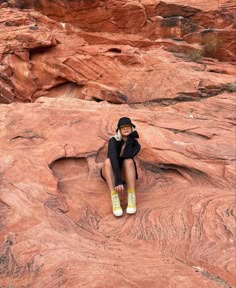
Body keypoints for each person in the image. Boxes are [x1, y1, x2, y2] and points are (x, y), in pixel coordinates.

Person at [101, 117, 141, 217]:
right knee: (108, 161)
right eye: (123, 127)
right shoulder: (113, 141)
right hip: (111, 172)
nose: (126, 129)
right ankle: (114, 197)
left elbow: (127, 155)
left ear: (132, 128)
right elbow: (113, 157)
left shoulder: (136, 144)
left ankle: (131, 196)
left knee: (129, 161)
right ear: (119, 130)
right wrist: (117, 180)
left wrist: (129, 140)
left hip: (125, 173)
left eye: (128, 127)